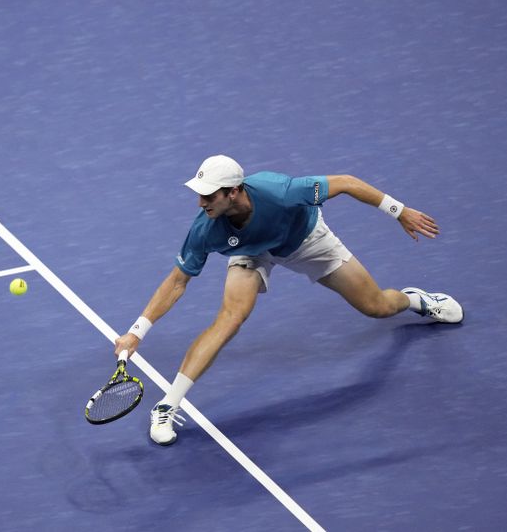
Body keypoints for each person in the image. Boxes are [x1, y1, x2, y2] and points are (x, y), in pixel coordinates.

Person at [114, 155, 463, 446]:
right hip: (252, 252)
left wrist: (398, 210)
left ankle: (416, 300)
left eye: (209, 196)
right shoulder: (206, 227)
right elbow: (177, 281)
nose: (200, 202)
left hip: (306, 240)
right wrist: (136, 333)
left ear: (234, 192)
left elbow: (345, 181)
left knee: (377, 307)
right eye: (200, 194)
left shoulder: (280, 191)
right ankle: (167, 405)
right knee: (230, 318)